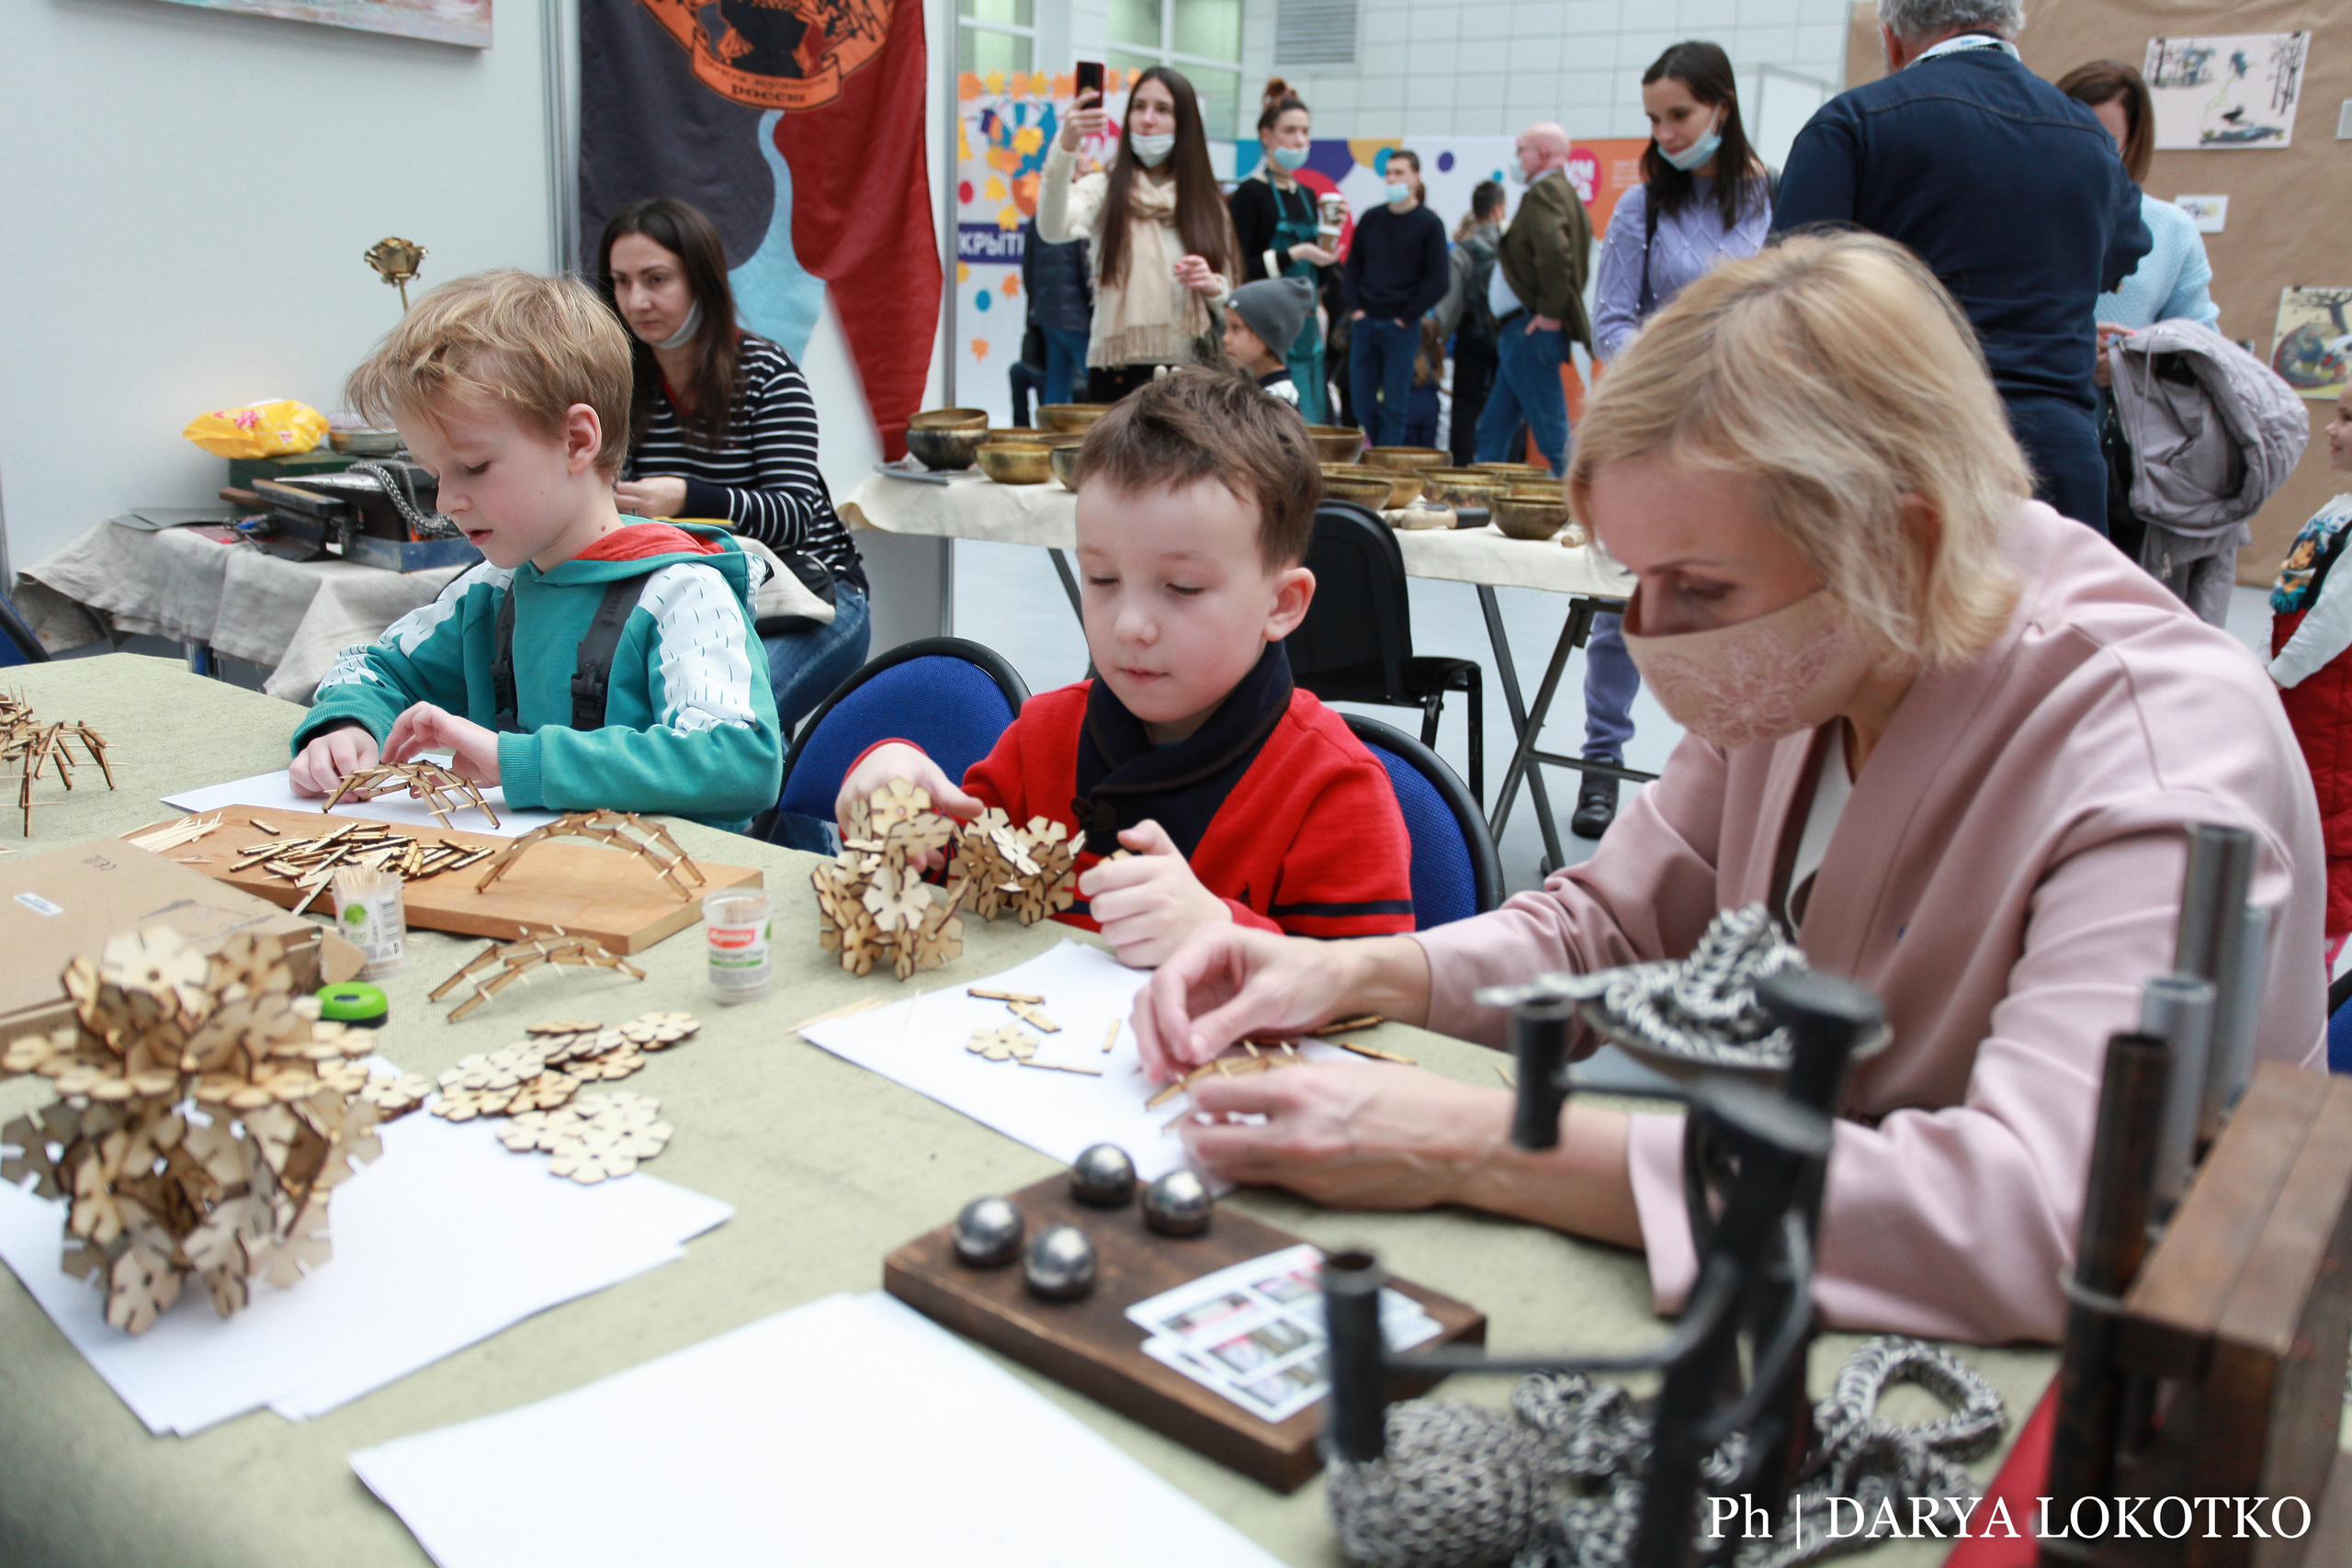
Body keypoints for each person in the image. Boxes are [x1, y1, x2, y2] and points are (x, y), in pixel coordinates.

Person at [1127, 234, 2326, 1346]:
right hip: (1814, 1271)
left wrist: (1480, 1141)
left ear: (1895, 543)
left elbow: (2032, 1209)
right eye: (1638, 582)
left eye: (1697, 588)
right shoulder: (1822, 645)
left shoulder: (2153, 751)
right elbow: (1607, 923)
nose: (1653, 635)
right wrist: (1344, 970)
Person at [831, 368, 1415, 968]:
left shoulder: (1333, 791)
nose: (1130, 624)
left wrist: (1222, 931)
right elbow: (953, 869)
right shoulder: (1043, 739)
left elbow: (1373, 1000)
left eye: (1182, 587)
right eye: (1102, 579)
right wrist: (892, 780)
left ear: (1282, 603)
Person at [290, 270, 784, 833]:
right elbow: (374, 670)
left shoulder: (683, 595)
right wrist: (349, 726)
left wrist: (517, 762)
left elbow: (743, 760)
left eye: (473, 467)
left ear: (576, 440)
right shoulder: (488, 592)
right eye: (433, 475)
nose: (447, 501)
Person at [1772, 0, 2149, 535]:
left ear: (1892, 40)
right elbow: (2123, 253)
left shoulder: (1855, 123)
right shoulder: (2087, 138)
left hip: (1904, 452)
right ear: (2011, 25)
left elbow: (1790, 292)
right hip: (2054, 464)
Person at [1573, 41, 1775, 840]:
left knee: (1744, 611)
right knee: (1620, 612)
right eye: (1653, 118)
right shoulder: (1641, 208)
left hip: (1749, 444)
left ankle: (1735, 781)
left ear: (1721, 106)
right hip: (1655, 438)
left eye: (1679, 115)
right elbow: (1611, 319)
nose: (1664, 132)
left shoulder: (1781, 201)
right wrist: (1672, 375)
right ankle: (1598, 765)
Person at [596, 197, 869, 734]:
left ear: (702, 280)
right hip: (706, 607)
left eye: (656, 280)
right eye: (621, 282)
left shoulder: (766, 371)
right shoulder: (626, 384)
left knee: (729, 732)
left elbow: (795, 517)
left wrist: (688, 498)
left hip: (813, 597)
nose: (637, 300)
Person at [2057, 59, 2228, 609]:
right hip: (2026, 446)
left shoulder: (2170, 231)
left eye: (2104, 138)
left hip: (2126, 467)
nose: (2086, 150)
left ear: (2133, 145)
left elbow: (2206, 352)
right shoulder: (2014, 216)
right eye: (2072, 129)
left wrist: (2132, 359)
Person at [1040, 68, 1238, 402]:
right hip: (1116, 371)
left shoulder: (1206, 203)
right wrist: (1067, 145)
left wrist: (1211, 285)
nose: (1147, 120)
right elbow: (1052, 228)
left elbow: (1231, 297)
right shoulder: (1106, 188)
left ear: (1184, 122)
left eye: (1163, 110)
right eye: (1139, 107)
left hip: (1190, 373)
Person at [2267, 384, 2352, 960]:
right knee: (2290, 800)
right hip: (2299, 693)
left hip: (2329, 702)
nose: (2331, 427)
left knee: (2326, 817)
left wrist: (2276, 676)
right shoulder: (2338, 508)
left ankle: (2316, 948)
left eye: (2346, 418)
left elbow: (2335, 620)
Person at [1474, 123, 1595, 478]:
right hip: (1524, 333)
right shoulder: (1565, 194)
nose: (1517, 158)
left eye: (1521, 150)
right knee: (1493, 431)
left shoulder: (1543, 194)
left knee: (1554, 438)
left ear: (1542, 153)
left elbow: (1556, 254)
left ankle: (1589, 513)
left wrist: (1550, 313)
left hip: (1530, 332)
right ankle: (1478, 502)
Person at [1228, 79, 1339, 423]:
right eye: (1290, 131)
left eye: (1305, 132)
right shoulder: (1249, 194)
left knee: (1314, 419)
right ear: (1267, 135)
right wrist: (1295, 254)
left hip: (1306, 333)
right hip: (1266, 333)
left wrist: (1327, 249)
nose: (1300, 140)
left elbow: (1317, 279)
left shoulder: (1308, 194)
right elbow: (1240, 268)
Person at [1342, 150, 1450, 447]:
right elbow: (1352, 267)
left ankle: (1386, 469)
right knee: (1362, 402)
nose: (1391, 179)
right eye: (1388, 173)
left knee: (1395, 406)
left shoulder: (1429, 224)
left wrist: (1406, 316)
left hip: (1401, 327)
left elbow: (1440, 280)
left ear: (1415, 178)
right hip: (1366, 323)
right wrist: (1356, 310)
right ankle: (1379, 452)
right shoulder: (1372, 218)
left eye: (1399, 173)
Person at [1433, 181, 1505, 467]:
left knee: (1463, 410)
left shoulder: (1462, 251)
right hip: (1505, 340)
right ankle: (1501, 468)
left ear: (1474, 212)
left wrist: (1438, 339)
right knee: (1504, 409)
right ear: (1499, 209)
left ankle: (1463, 470)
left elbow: (1449, 307)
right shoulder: (1511, 249)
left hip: (1470, 340)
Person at [1020, 216, 1094, 411]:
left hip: (1047, 317)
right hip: (1079, 319)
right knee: (1098, 386)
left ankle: (1052, 434)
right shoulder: (1079, 219)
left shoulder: (1037, 220)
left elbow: (1028, 271)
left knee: (1056, 390)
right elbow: (1087, 272)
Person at [1224, 276, 1316, 405]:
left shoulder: (1277, 400)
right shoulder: (1260, 389)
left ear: (1265, 333)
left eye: (1236, 328)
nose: (1225, 339)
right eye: (1226, 328)